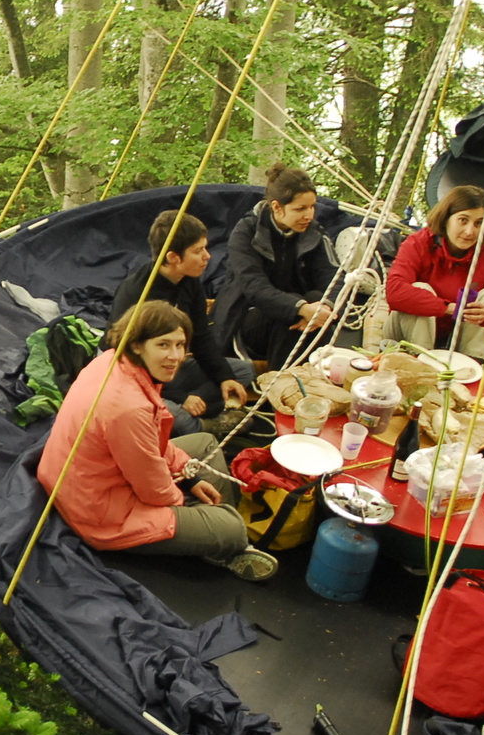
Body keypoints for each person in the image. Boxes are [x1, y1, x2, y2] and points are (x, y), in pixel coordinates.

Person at [36, 300, 279, 580]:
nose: (175, 356)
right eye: (163, 345)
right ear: (137, 344)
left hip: (92, 476)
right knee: (232, 529)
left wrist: (190, 477)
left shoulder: (116, 361)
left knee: (205, 443)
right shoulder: (127, 407)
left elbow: (152, 442)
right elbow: (153, 489)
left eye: (180, 345)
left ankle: (212, 522)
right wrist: (183, 497)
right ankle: (221, 536)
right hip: (98, 511)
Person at [110, 209, 253, 434]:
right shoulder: (138, 293)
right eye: (198, 251)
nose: (207, 256)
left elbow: (201, 337)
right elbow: (126, 360)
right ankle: (206, 424)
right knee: (175, 415)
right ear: (173, 258)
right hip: (136, 377)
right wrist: (180, 397)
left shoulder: (189, 281)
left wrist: (224, 377)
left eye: (205, 248)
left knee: (243, 371)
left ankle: (201, 406)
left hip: (172, 366)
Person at [212, 164, 339, 367]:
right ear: (277, 207)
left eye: (312, 207)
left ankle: (313, 375)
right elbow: (254, 287)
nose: (309, 215)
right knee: (289, 313)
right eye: (300, 209)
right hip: (247, 318)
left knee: (317, 299)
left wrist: (323, 309)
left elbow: (334, 277)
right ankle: (281, 379)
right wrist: (300, 308)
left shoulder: (314, 232)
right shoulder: (246, 233)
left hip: (301, 315)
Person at [383, 185, 484, 358]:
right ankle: (419, 363)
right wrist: (449, 308)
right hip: (405, 337)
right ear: (446, 218)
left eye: (478, 223)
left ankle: (471, 363)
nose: (469, 232)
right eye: (463, 220)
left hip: (454, 338)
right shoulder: (418, 243)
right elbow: (394, 292)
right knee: (420, 289)